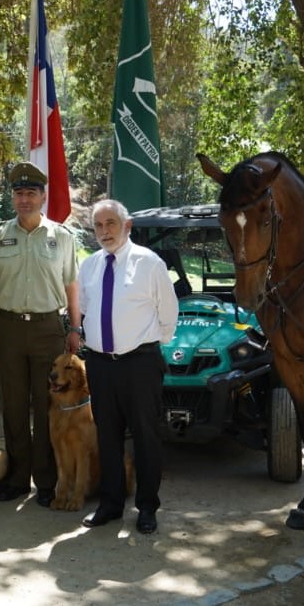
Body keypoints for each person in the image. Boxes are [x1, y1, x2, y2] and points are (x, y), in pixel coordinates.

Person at [0, 162, 82, 506]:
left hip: (48, 328)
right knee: (13, 406)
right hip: (7, 327)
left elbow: (71, 286)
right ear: (13, 197)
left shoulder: (61, 237)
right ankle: (18, 479)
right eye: (19, 193)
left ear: (43, 197)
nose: (24, 199)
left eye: (31, 193)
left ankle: (47, 481)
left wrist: (75, 329)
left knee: (47, 404)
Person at [77, 200, 177, 535]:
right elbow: (86, 309)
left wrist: (145, 345)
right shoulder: (89, 266)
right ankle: (111, 504)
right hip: (100, 365)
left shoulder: (149, 263)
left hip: (139, 364)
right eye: (98, 225)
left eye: (111, 223)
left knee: (147, 437)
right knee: (107, 437)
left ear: (127, 225)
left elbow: (169, 314)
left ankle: (147, 507)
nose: (105, 231)